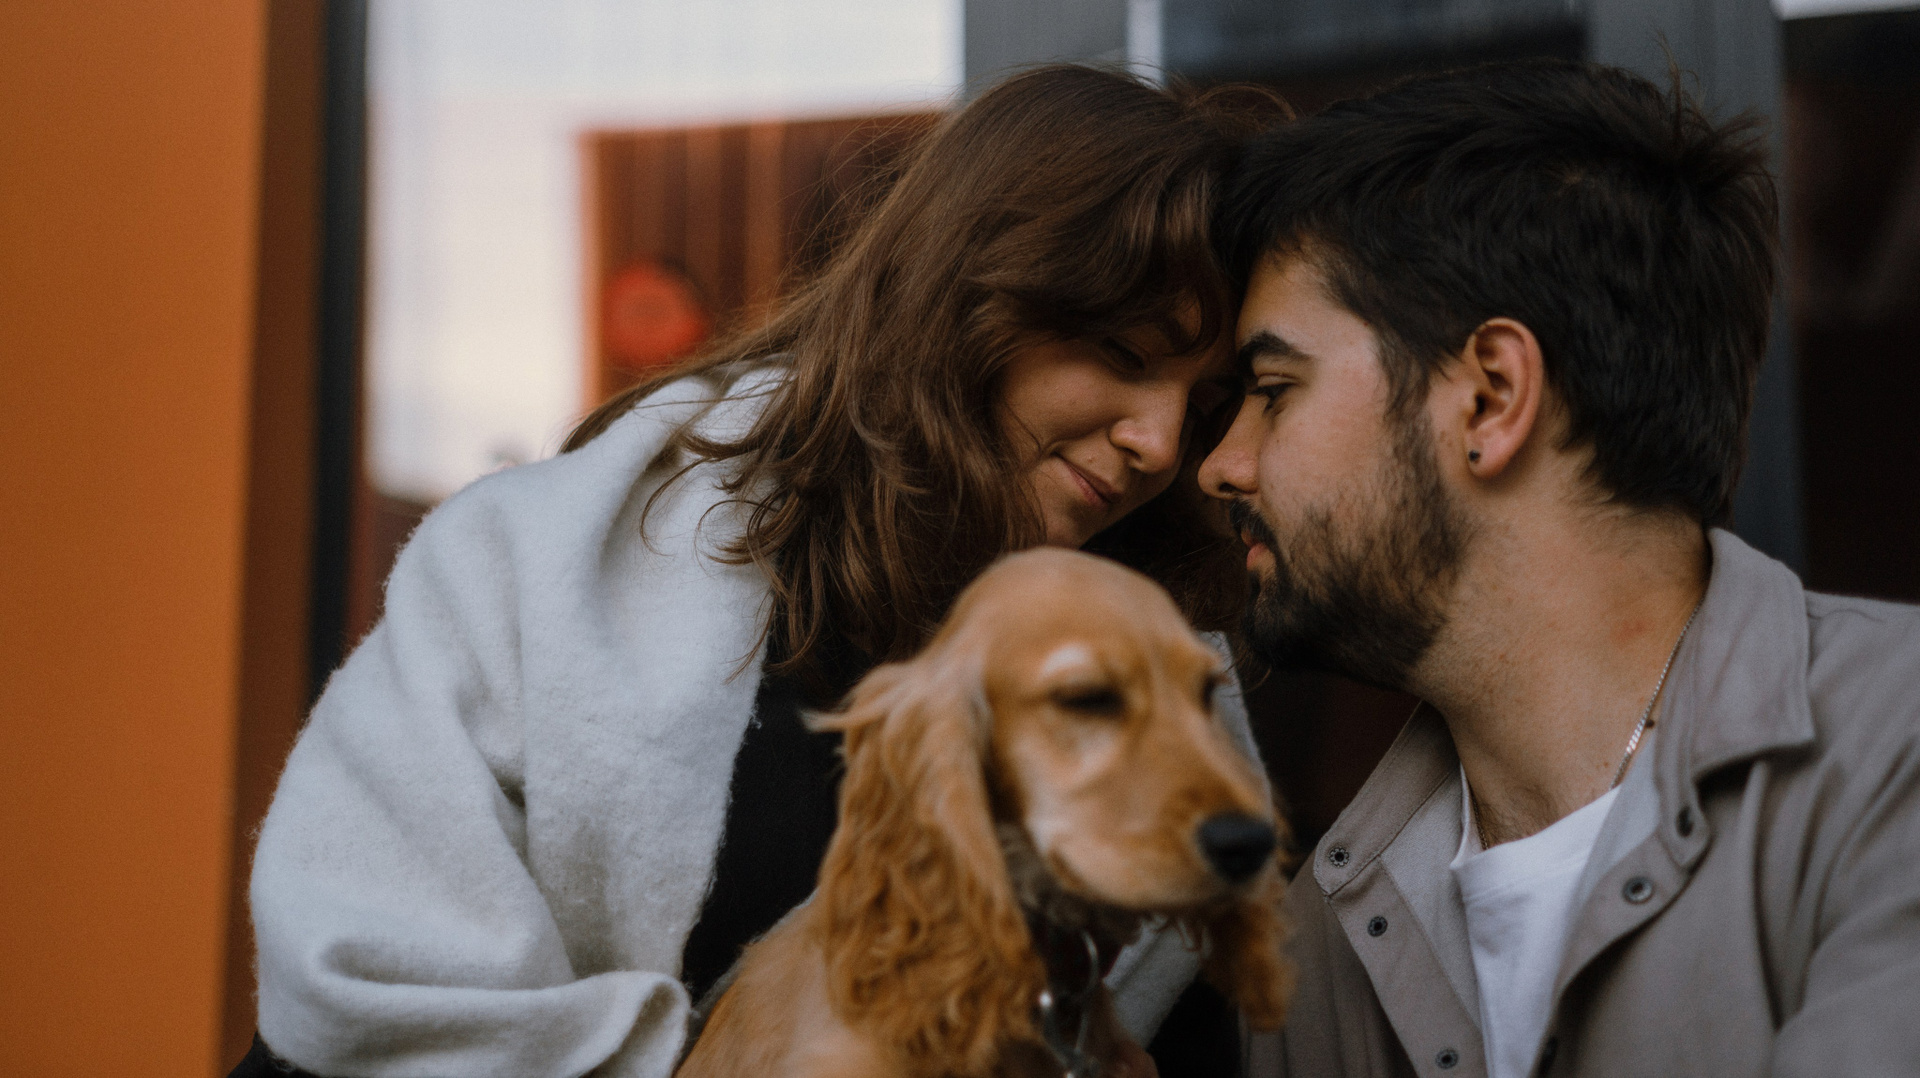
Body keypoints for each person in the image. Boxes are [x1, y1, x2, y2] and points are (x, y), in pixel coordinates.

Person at [238, 66, 1287, 1078]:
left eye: (1203, 404)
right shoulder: (527, 565)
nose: (1160, 443)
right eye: (1123, 354)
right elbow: (363, 986)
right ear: (971, 302)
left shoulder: (1184, 689)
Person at [1201, 57, 1920, 1078]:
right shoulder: (1318, 936)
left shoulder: (1892, 754)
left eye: (1274, 389)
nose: (1221, 463)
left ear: (1491, 397)